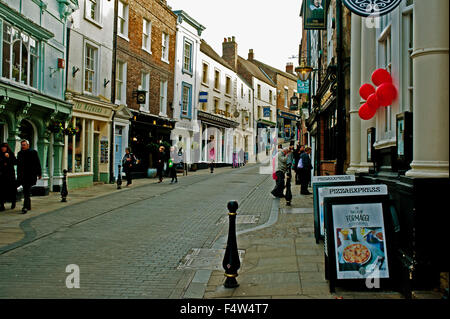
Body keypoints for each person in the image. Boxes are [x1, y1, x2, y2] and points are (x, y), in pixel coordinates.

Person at [17, 140, 42, 214]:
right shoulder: (20, 153)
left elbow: (37, 163)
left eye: (24, 145)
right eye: (22, 145)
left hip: (30, 175)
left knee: (27, 190)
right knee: (26, 191)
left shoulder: (33, 152)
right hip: (22, 175)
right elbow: (18, 164)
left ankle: (25, 207)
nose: (23, 146)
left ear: (28, 145)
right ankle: (28, 205)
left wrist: (39, 173)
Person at [0, 143, 17, 211]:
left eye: (4, 147)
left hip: (10, 175)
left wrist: (8, 158)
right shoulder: (0, 154)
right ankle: (2, 205)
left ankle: (13, 202)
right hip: (2, 175)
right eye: (2, 147)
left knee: (11, 189)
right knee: (1, 190)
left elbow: (15, 162)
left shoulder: (11, 154)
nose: (3, 148)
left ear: (7, 148)